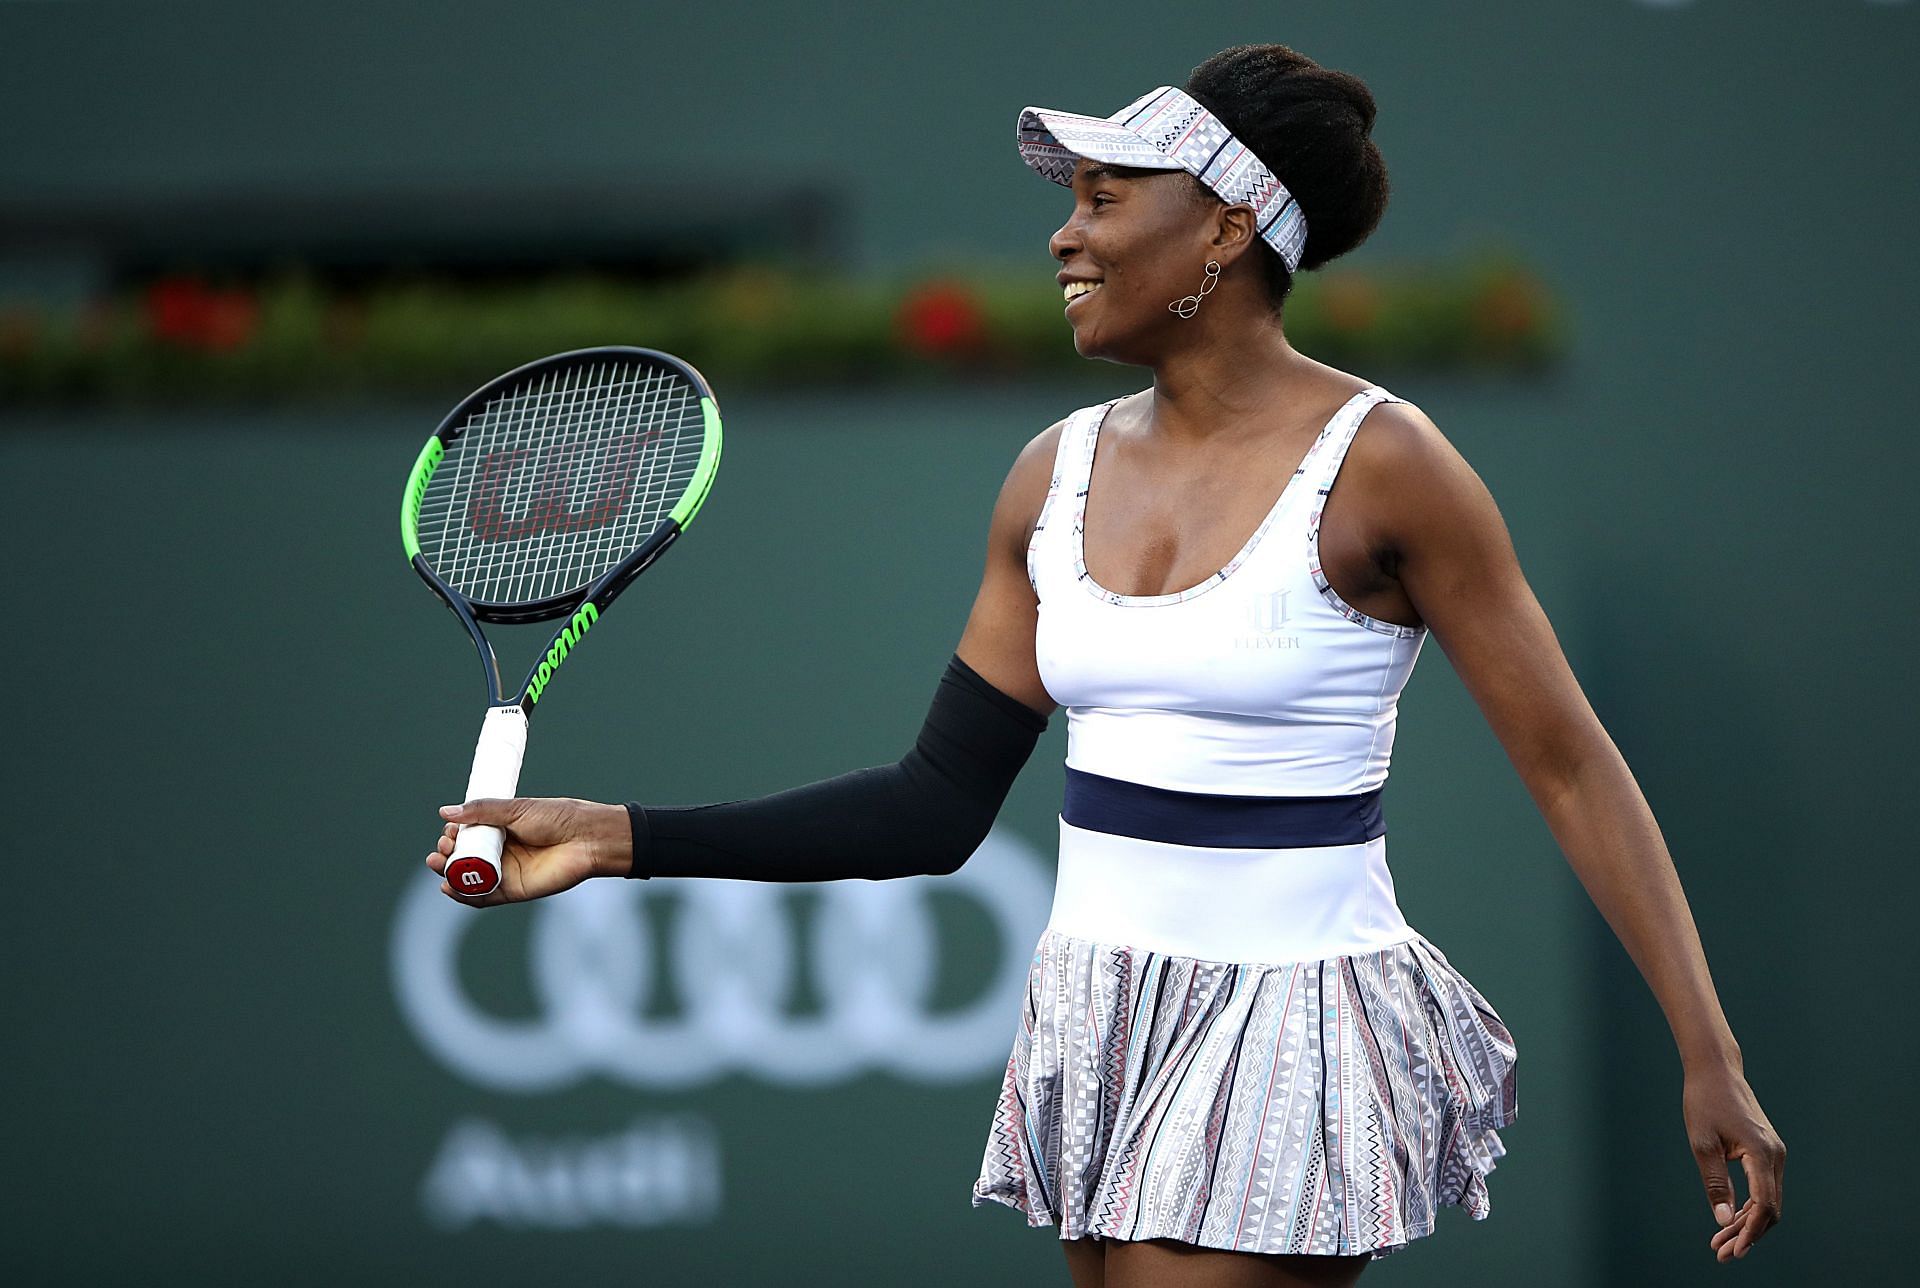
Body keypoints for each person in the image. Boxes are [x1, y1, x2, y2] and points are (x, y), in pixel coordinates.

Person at [426, 43, 1784, 1288]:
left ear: (1227, 224)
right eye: (1069, 199)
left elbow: (1569, 766)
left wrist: (1706, 1051)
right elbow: (932, 806)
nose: (1065, 232)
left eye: (1104, 195)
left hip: (1295, 1023)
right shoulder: (1047, 477)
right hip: (1101, 1007)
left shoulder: (1391, 466)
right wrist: (611, 838)